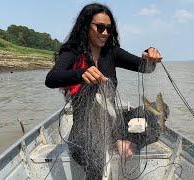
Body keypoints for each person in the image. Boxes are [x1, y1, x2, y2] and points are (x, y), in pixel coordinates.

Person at [45, 3, 162, 179]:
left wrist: (149, 55)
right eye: (100, 27)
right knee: (96, 161)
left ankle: (125, 141)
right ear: (86, 26)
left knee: (157, 114)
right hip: (84, 130)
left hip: (113, 123)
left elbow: (144, 67)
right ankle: (116, 142)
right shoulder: (73, 51)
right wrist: (81, 73)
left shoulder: (111, 52)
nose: (105, 33)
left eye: (109, 28)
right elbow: (51, 79)